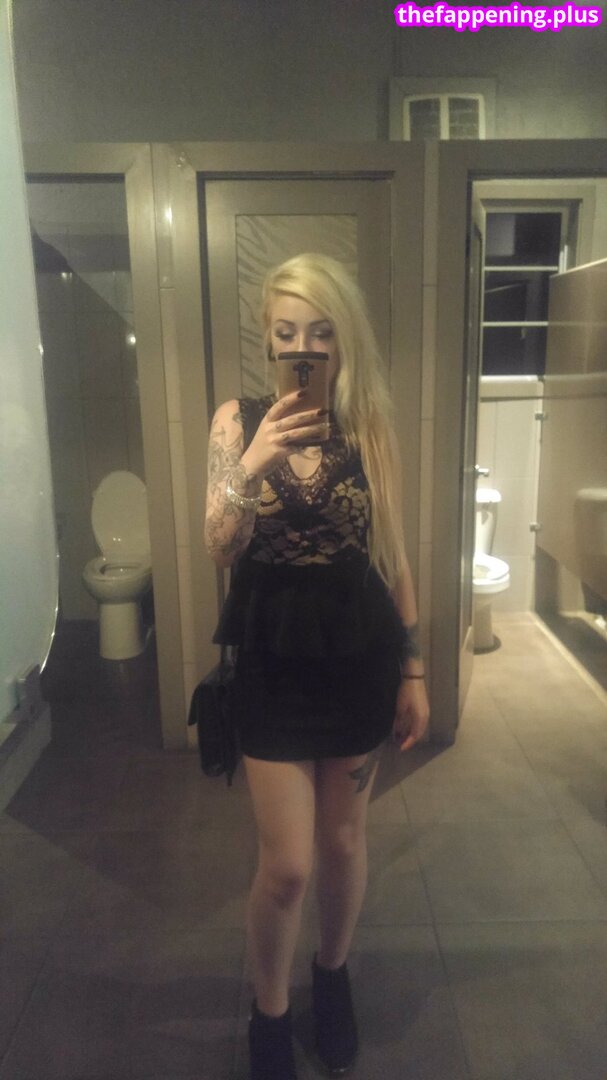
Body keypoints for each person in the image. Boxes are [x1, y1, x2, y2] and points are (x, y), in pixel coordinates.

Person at [204, 253, 429, 1080]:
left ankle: (331, 977)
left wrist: (413, 670)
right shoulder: (236, 421)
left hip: (359, 655)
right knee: (288, 865)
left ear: (343, 342)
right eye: (288, 332)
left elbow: (393, 554)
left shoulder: (369, 427)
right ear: (268, 341)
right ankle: (269, 1012)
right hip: (272, 659)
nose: (304, 347)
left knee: (342, 840)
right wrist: (251, 465)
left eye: (322, 332)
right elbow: (217, 545)